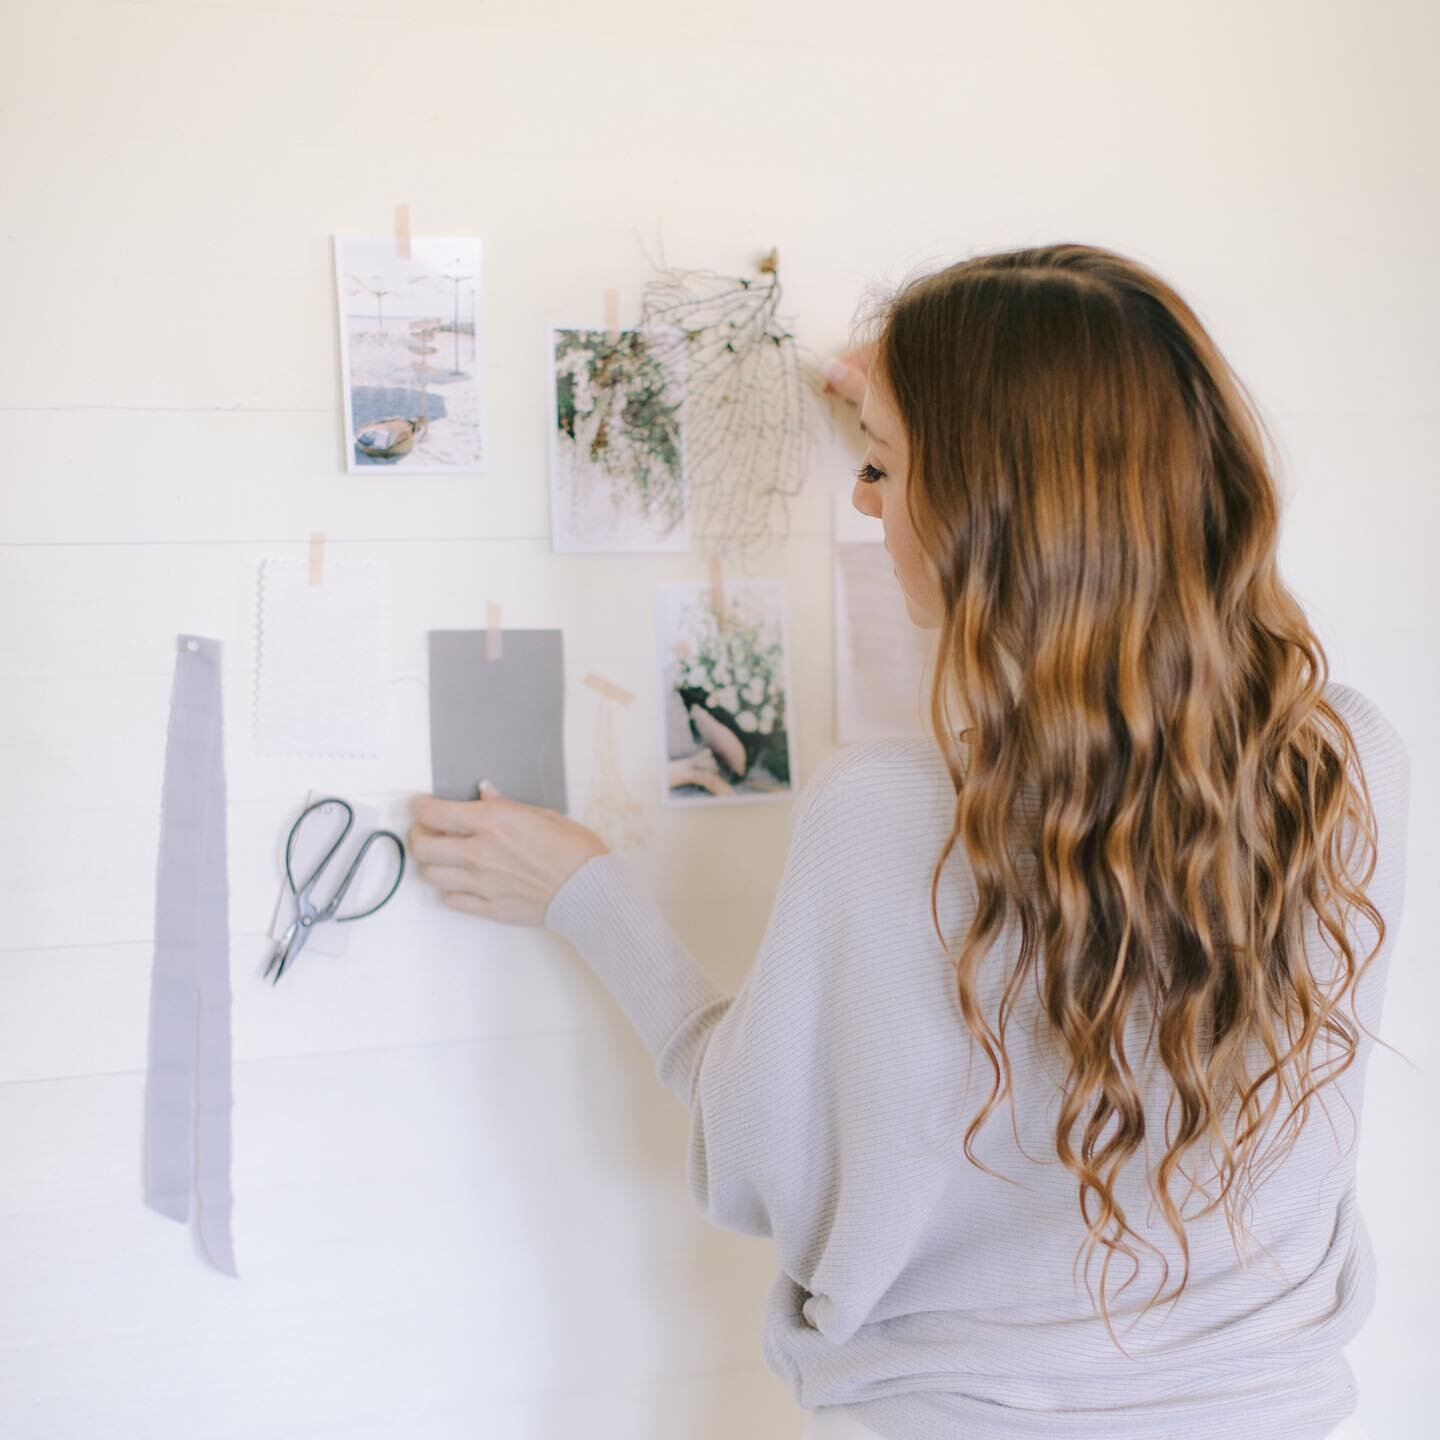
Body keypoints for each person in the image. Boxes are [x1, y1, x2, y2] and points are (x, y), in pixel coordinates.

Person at [408, 243, 1409, 1439]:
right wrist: (921, 428)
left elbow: (754, 1160)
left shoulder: (888, 815)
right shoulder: (1347, 762)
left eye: (883, 466)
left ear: (993, 508)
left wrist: (585, 891)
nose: (862, 499)